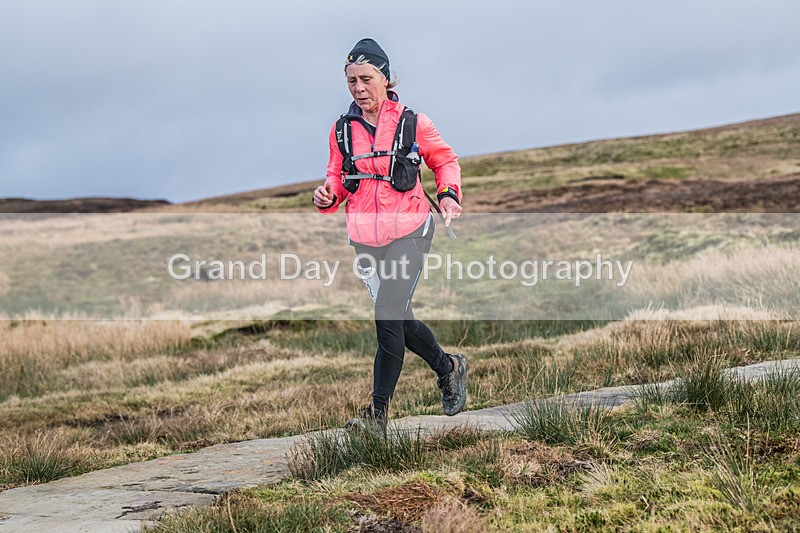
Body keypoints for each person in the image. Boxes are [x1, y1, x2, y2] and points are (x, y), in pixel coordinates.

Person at [313, 38, 467, 429]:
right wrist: (327, 196)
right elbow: (339, 180)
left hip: (411, 229)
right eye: (351, 81)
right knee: (398, 317)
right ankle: (448, 367)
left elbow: (445, 161)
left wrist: (448, 196)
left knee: (386, 316)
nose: (359, 88)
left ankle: (376, 416)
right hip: (365, 238)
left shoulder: (413, 122)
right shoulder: (342, 131)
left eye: (366, 78)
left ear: (385, 77)